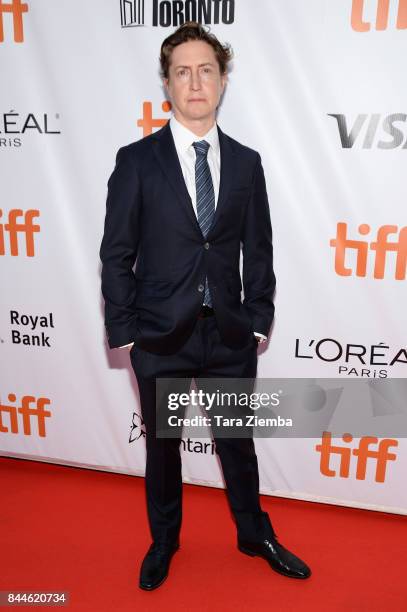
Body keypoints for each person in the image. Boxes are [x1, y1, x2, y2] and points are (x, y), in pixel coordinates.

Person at [100, 21, 311, 590]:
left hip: (229, 335)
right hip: (159, 336)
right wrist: (125, 332)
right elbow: (116, 253)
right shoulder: (137, 160)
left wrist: (260, 318)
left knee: (237, 446)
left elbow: (260, 250)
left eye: (207, 70)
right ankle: (164, 541)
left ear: (222, 80)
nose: (195, 82)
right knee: (164, 451)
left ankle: (253, 533)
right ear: (167, 85)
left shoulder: (246, 163)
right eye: (182, 72)